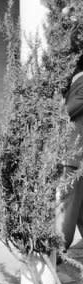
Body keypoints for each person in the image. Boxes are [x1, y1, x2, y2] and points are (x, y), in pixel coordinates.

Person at [56, 64, 83, 251]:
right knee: (77, 205)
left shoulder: (81, 81)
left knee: (68, 204)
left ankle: (58, 249)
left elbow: (67, 111)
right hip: (75, 153)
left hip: (73, 154)